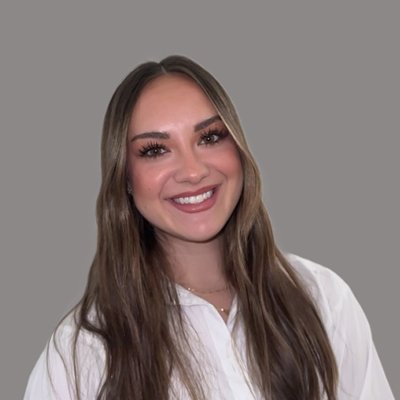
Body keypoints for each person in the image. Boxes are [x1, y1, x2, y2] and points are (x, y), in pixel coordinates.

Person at [24, 56, 394, 400]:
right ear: (125, 178)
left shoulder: (323, 300)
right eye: (155, 150)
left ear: (239, 150)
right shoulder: (80, 354)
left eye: (210, 137)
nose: (193, 171)